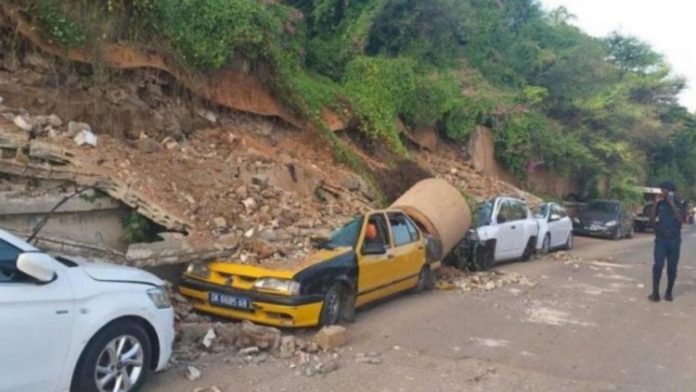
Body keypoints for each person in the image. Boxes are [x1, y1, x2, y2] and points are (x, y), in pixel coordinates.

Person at [648, 181, 686, 302]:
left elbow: (681, 220)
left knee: (672, 268)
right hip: (661, 240)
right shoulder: (661, 204)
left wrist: (672, 204)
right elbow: (652, 221)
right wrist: (655, 204)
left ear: (670, 192)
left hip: (674, 241)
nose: (661, 192)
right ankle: (655, 293)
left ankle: (669, 292)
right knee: (657, 266)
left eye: (663, 190)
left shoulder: (680, 204)